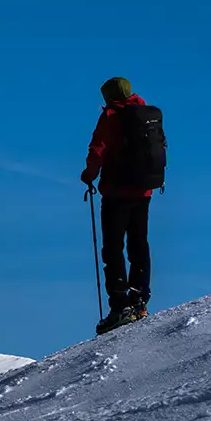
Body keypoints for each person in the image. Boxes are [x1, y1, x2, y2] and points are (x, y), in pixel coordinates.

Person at [81, 77, 154, 334]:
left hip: (116, 192)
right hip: (143, 191)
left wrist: (88, 175)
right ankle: (139, 299)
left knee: (113, 248)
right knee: (139, 244)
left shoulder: (111, 117)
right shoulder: (146, 113)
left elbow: (98, 149)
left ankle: (119, 307)